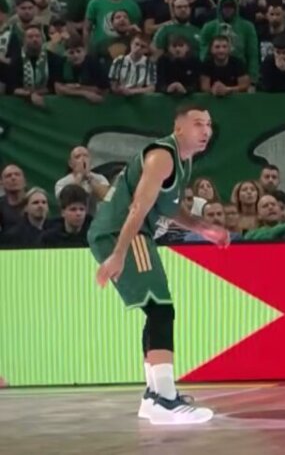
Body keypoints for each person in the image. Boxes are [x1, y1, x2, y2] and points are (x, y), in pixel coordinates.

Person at [90, 105, 231, 425]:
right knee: (160, 308)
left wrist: (203, 228)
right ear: (178, 128)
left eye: (209, 124)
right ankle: (163, 399)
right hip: (122, 231)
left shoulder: (184, 160)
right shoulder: (162, 156)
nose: (205, 130)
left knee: (155, 308)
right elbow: (138, 207)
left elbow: (168, 207)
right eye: (198, 124)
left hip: (131, 232)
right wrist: (118, 254)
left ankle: (155, 397)